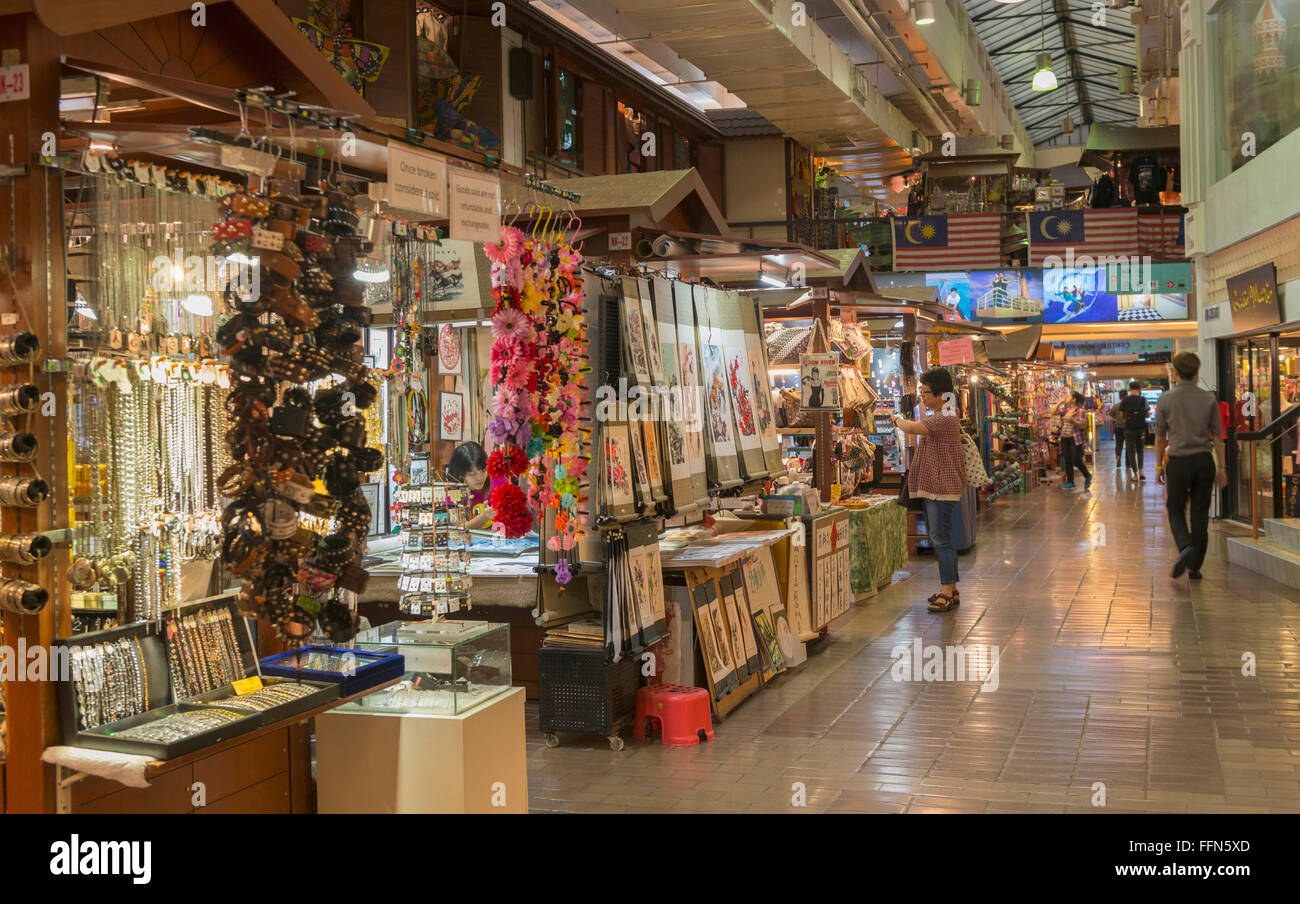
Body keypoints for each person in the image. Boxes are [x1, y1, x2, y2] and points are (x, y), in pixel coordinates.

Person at [892, 368, 965, 613]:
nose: (922, 396)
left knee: (941, 539)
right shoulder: (944, 412)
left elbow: (913, 428)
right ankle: (950, 588)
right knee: (941, 538)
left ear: (941, 394)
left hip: (941, 488)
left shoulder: (945, 416)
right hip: (938, 487)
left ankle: (946, 589)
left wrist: (895, 420)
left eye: (925, 392)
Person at [1155, 352, 1226, 580]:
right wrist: (1221, 467)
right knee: (1199, 513)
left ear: (1175, 372)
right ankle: (1194, 566)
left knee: (1175, 508)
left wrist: (1158, 468)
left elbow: (1159, 437)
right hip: (1203, 461)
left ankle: (1185, 546)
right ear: (1196, 372)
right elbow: (1217, 436)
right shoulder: (1208, 399)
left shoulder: (1166, 399)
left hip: (1177, 461)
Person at [445, 441, 502, 530]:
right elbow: (459, 527)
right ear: (460, 474)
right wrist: (484, 517)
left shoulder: (499, 480)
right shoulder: (452, 490)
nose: (480, 478)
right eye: (472, 474)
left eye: (483, 470)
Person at [1057, 391, 1092, 491]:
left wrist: (1071, 418)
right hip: (1064, 437)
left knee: (1075, 460)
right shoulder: (1065, 409)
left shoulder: (1080, 411)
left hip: (1075, 438)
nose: (1066, 397)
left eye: (1069, 396)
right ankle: (1070, 482)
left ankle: (1087, 475)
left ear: (1074, 399)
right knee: (1067, 460)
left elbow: (1080, 424)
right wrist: (1059, 402)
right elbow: (1053, 412)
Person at [1117, 381, 1151, 480]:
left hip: (1128, 429)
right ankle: (1141, 472)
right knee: (1140, 450)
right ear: (1139, 388)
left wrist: (1127, 420)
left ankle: (1135, 474)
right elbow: (1148, 415)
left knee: (1131, 451)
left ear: (1129, 389)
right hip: (1141, 429)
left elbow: (1121, 415)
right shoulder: (1143, 400)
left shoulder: (1125, 400)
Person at [1109, 395, 1127, 469]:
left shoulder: (1115, 406)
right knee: (1128, 445)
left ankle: (1118, 456)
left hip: (1117, 427)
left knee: (1118, 444)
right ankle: (1128, 462)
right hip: (1126, 428)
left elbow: (1111, 419)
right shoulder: (1127, 406)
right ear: (1126, 396)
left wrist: (1110, 428)